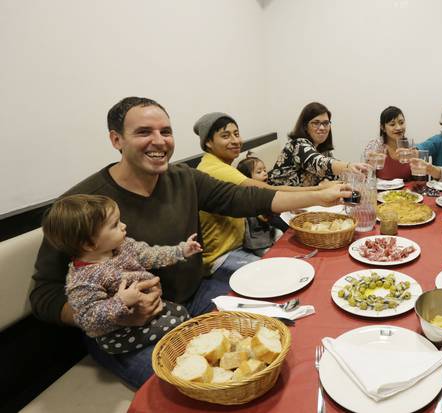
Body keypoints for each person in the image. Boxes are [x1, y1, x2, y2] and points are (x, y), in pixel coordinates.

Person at [29, 97, 351, 388]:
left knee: (269, 332)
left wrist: (320, 197)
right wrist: (119, 313)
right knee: (198, 385)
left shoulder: (183, 178)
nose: (159, 141)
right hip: (127, 334)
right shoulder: (82, 206)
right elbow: (44, 294)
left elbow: (245, 196)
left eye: (166, 131)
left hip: (194, 297)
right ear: (116, 140)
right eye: (144, 132)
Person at [42, 194, 200, 354]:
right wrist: (120, 302)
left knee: (182, 313)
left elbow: (150, 254)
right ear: (89, 243)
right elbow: (87, 318)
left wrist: (180, 251)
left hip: (150, 308)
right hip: (118, 334)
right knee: (176, 327)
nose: (123, 226)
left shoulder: (122, 246)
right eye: (115, 225)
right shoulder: (82, 279)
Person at [192, 112, 322, 272]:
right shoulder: (215, 169)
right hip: (223, 256)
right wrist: (320, 191)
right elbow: (268, 191)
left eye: (236, 134)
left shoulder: (220, 164)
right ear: (208, 143)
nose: (235, 141)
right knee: (283, 271)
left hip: (245, 243)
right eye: (225, 136)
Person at [268, 102, 369, 187]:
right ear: (305, 126)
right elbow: (320, 164)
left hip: (305, 203)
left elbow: (332, 174)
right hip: (279, 204)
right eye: (316, 123)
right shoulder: (298, 145)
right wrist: (349, 167)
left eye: (325, 123)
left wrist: (355, 174)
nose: (322, 128)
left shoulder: (323, 150)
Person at [236, 156, 283, 256]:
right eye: (259, 172)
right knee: (269, 254)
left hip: (269, 231)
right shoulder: (248, 197)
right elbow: (264, 217)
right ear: (247, 178)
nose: (265, 173)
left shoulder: (265, 191)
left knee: (280, 234)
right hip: (257, 240)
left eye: (264, 170)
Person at [361, 106, 413, 180]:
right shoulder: (375, 145)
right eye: (392, 124)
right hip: (381, 190)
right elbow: (363, 176)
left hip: (407, 190)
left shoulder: (411, 146)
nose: (398, 128)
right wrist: (370, 164)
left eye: (401, 123)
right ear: (383, 128)